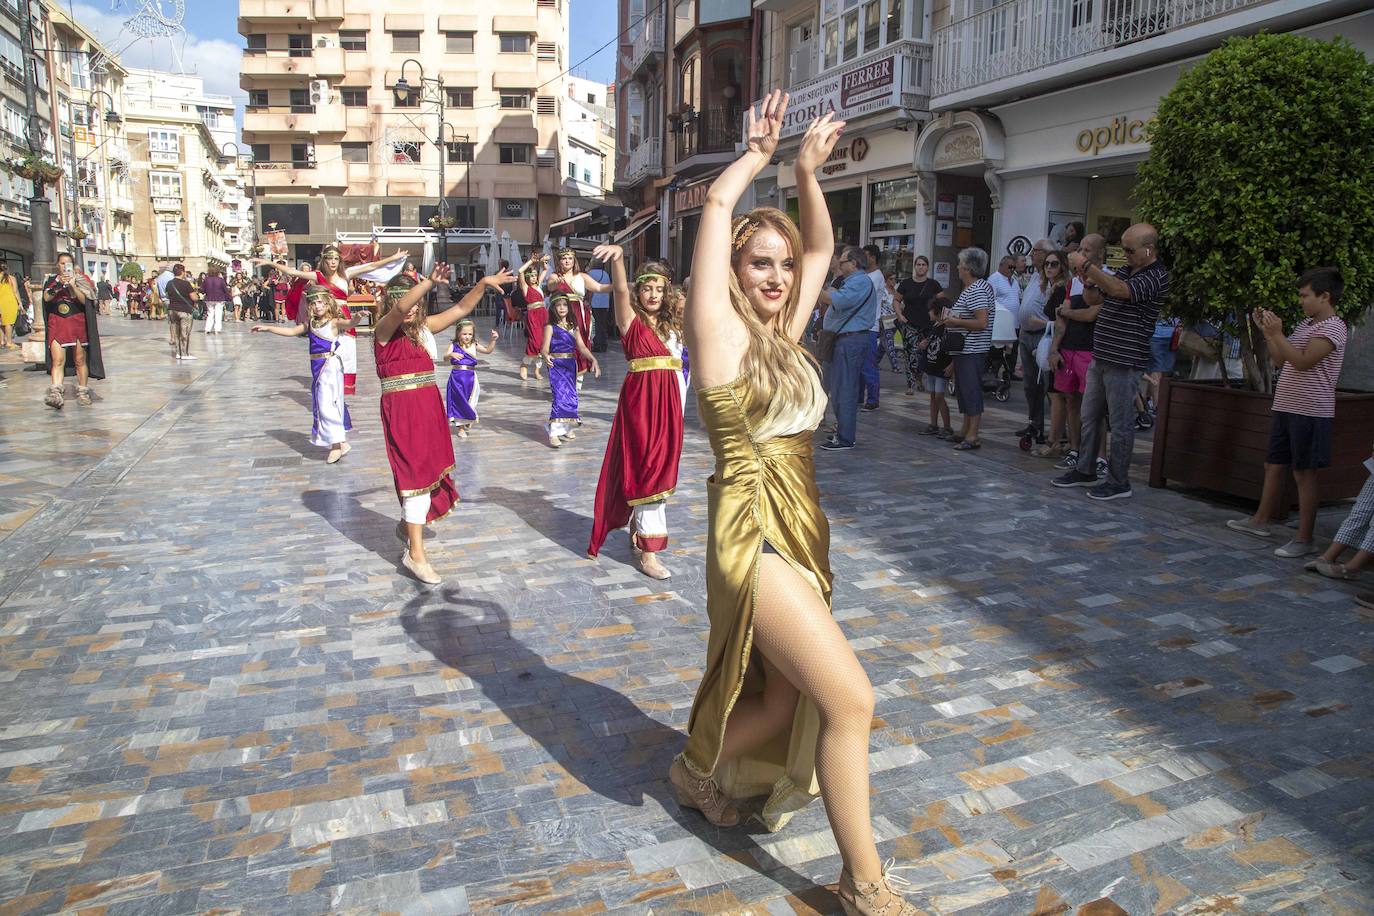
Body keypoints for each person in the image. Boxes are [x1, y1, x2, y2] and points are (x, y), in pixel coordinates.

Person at [679, 92, 918, 916]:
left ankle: (693, 769)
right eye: (760, 263)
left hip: (802, 526)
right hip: (752, 531)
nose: (779, 276)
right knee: (850, 699)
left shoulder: (784, 333)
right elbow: (715, 204)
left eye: (782, 266)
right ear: (734, 271)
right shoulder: (717, 329)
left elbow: (821, 245)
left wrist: (808, 173)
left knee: (783, 697)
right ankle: (865, 884)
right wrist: (754, 157)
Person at [376, 264, 514, 585]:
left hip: (428, 406)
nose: (409, 308)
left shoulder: (424, 328)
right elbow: (399, 308)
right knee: (414, 475)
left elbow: (463, 308)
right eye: (403, 301)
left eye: (414, 303)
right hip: (402, 410)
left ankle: (408, 528)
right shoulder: (383, 331)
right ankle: (416, 556)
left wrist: (481, 282)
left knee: (426, 472)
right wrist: (426, 283)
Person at [1226, 267, 1347, 558]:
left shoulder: (1333, 327)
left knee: (1304, 473)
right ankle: (1260, 520)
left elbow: (1304, 362)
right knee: (1274, 465)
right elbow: (1282, 359)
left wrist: (1277, 332)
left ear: (1325, 296)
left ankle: (1305, 538)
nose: (1301, 301)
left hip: (1311, 409)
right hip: (1287, 404)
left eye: (1305, 295)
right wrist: (1268, 333)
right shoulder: (1307, 324)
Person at [586, 247, 684, 580]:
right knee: (649, 468)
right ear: (639, 291)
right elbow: (621, 291)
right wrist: (617, 260)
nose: (654, 294)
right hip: (642, 403)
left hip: (672, 401)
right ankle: (649, 552)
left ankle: (639, 531)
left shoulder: (675, 323)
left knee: (663, 467)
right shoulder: (630, 319)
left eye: (660, 288)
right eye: (647, 288)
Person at [1053, 224, 1170, 499]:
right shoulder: (1128, 270)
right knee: (1090, 416)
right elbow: (1096, 298)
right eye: (1123, 249)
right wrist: (1088, 278)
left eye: (1130, 250)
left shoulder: (1156, 276)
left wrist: (1087, 265)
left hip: (1125, 358)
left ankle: (1119, 481)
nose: (1125, 254)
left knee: (1120, 423)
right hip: (1102, 354)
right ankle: (1086, 468)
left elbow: (1119, 291)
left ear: (1149, 249)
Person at [251, 284, 362, 463]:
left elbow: (349, 323)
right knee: (322, 403)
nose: (317, 306)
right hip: (317, 367)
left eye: (321, 302)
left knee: (328, 404)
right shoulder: (311, 323)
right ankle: (340, 442)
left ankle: (336, 445)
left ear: (328, 304)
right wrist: (268, 328)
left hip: (330, 367)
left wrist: (356, 318)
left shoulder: (333, 322)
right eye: (314, 303)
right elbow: (292, 331)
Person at [819, 246, 877, 451]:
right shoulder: (851, 281)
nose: (840, 265)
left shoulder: (860, 281)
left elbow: (838, 301)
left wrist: (815, 287)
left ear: (854, 263)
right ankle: (842, 434)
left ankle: (845, 438)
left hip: (850, 341)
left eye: (843, 262)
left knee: (845, 390)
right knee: (838, 388)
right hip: (843, 340)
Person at [944, 247, 995, 451]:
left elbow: (981, 322)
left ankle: (973, 434)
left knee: (971, 390)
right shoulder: (974, 288)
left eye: (960, 264)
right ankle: (965, 429)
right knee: (964, 390)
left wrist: (955, 321)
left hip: (972, 348)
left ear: (967, 267)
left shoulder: (977, 289)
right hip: (965, 349)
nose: (957, 267)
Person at [42, 253, 104, 408]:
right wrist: (58, 285)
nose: (64, 266)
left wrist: (72, 285)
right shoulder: (51, 280)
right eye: (62, 263)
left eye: (67, 263)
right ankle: (56, 394)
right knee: (58, 360)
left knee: (79, 359)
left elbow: (85, 301)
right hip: (57, 322)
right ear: (57, 264)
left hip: (76, 321)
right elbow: (46, 298)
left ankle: (82, 391)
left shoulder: (80, 279)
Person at [544, 248, 610, 389]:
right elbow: (550, 286)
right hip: (561, 314)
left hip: (579, 314)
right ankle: (561, 379)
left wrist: (619, 286)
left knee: (580, 345)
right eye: (564, 258)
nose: (567, 261)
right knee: (562, 344)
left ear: (574, 261)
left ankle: (577, 382)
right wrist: (556, 283)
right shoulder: (555, 276)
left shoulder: (582, 276)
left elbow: (599, 287)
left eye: (570, 258)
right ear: (559, 261)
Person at [540, 293, 600, 448]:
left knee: (571, 396)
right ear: (553, 308)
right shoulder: (550, 327)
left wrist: (593, 359)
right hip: (556, 364)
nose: (562, 308)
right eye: (558, 305)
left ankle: (565, 427)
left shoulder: (574, 326)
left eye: (564, 305)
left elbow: (581, 347)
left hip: (570, 364)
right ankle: (553, 431)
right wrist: (546, 356)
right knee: (560, 396)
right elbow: (544, 348)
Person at [1017, 239, 1056, 441]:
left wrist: (1039, 323)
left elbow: (1055, 316)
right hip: (1026, 334)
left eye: (1036, 251)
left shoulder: (1053, 280)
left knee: (1047, 385)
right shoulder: (1034, 277)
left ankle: (1055, 430)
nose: (1032, 254)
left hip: (1042, 336)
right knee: (1030, 384)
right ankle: (1034, 423)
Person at [894, 255, 941, 395]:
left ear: (927, 267)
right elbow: (896, 300)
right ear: (914, 267)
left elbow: (942, 301)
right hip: (910, 323)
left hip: (927, 324)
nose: (921, 267)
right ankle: (911, 383)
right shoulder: (906, 283)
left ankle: (919, 378)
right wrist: (900, 315)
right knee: (910, 354)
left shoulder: (933, 284)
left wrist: (938, 317)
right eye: (918, 264)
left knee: (924, 354)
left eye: (923, 265)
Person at [445, 320, 499, 437]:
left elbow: (487, 350)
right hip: (456, 378)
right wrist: (451, 355)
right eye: (464, 334)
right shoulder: (453, 345)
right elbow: (445, 357)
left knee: (471, 401)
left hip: (471, 378)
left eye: (470, 334)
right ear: (458, 333)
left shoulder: (474, 344)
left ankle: (468, 417)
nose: (467, 336)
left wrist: (493, 340)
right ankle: (461, 428)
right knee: (459, 401)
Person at [859, 244, 894, 409]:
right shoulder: (866, 275)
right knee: (859, 366)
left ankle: (873, 399)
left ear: (873, 257)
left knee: (868, 365)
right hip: (860, 326)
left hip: (870, 327)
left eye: (865, 255)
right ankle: (859, 396)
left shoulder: (876, 277)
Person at [916, 294, 953, 438]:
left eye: (931, 310)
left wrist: (952, 365)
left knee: (939, 396)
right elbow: (929, 342)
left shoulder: (947, 327)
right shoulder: (935, 326)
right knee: (933, 395)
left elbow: (952, 347)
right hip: (932, 365)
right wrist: (922, 345)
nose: (928, 313)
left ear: (938, 311)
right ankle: (933, 424)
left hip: (941, 366)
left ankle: (947, 426)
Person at [516, 256, 547, 382]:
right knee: (534, 341)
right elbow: (519, 271)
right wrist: (531, 261)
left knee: (543, 342)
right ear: (528, 277)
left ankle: (537, 370)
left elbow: (545, 270)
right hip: (533, 315)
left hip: (543, 314)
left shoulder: (538, 284)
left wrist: (543, 263)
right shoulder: (525, 287)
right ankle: (524, 364)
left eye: (535, 275)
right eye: (532, 275)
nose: (534, 277)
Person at [164, 264, 198, 361]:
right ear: (183, 272)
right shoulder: (186, 284)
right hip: (184, 310)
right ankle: (185, 353)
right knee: (185, 332)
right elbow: (194, 297)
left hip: (172, 310)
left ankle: (178, 352)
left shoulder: (169, 283)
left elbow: (167, 295)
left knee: (176, 332)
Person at [587, 261, 611, 352]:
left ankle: (597, 345)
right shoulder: (605, 274)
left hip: (595, 302)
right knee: (603, 324)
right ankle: (604, 344)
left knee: (595, 324)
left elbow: (590, 290)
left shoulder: (591, 273)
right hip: (604, 303)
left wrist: (588, 301)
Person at [201, 266, 229, 335]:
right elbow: (225, 290)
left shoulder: (206, 280)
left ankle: (207, 329)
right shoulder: (220, 280)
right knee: (218, 314)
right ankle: (217, 329)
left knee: (210, 314)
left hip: (209, 298)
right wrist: (228, 297)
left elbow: (202, 289)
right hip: (219, 298)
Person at [0, 262, 20, 349]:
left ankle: (2, 341)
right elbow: (15, 291)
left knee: (1, 323)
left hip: (1, 302)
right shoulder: (11, 278)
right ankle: (9, 342)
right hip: (10, 302)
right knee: (9, 323)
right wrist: (20, 303)